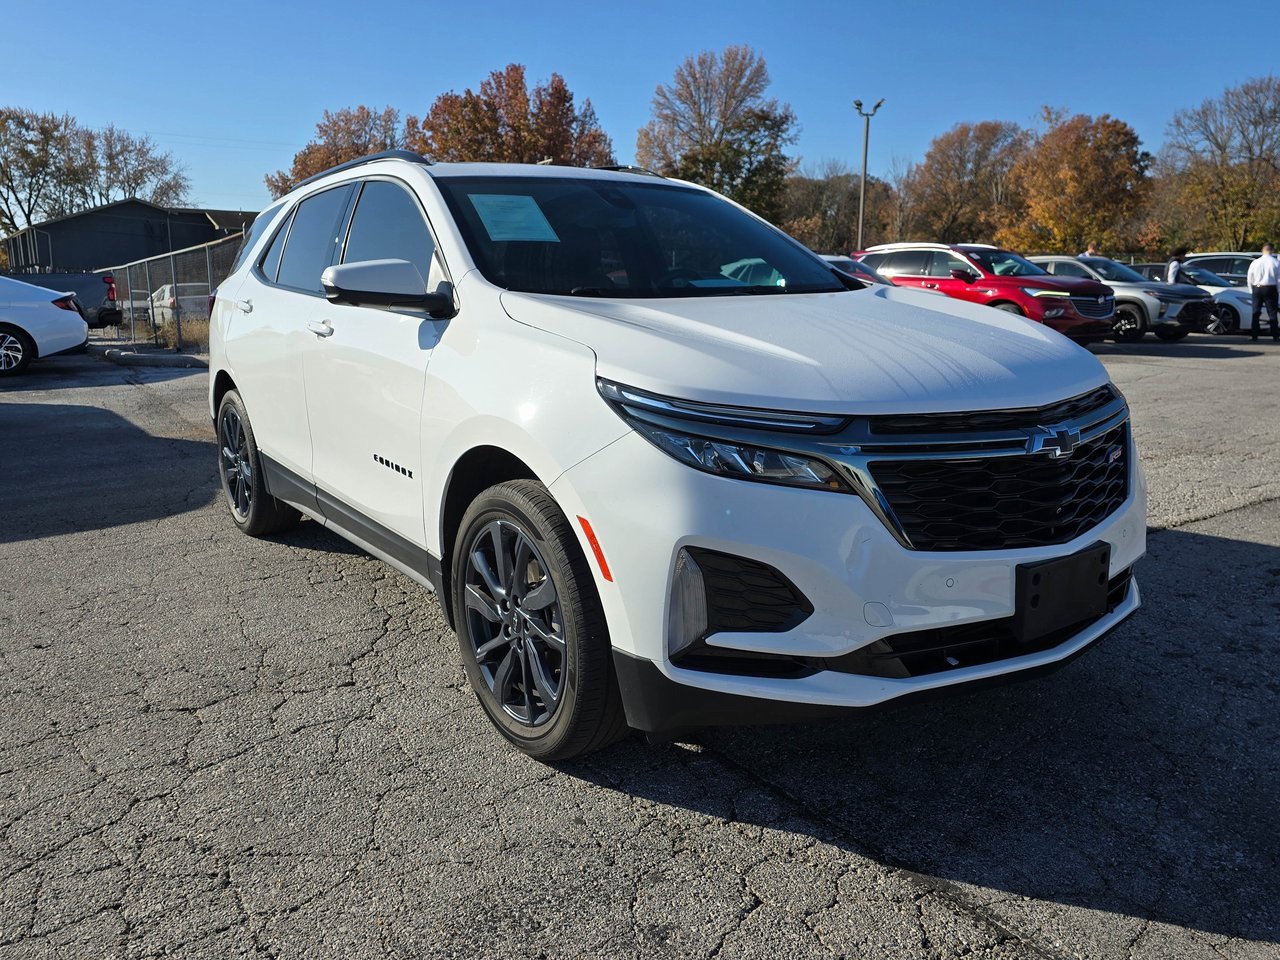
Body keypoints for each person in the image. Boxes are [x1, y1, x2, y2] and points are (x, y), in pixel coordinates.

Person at [1245, 243, 1280, 341]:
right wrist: (1278, 291)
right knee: (1272, 312)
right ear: (1271, 250)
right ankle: (1275, 335)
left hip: (1257, 288)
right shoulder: (1275, 263)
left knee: (1256, 312)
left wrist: (1251, 290)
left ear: (1262, 250)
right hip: (1270, 288)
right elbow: (1278, 279)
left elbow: (1249, 278)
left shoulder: (1255, 262)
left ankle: (1254, 335)